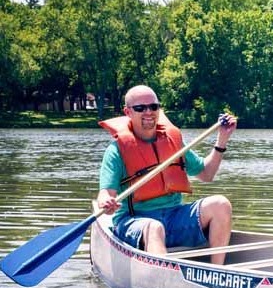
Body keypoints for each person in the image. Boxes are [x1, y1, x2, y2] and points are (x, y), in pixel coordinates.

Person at [95, 85, 237, 265]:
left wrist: (222, 140)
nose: (148, 112)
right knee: (154, 228)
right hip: (134, 220)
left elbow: (206, 174)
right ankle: (163, 282)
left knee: (220, 204)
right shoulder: (116, 151)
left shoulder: (173, 143)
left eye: (153, 107)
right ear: (128, 112)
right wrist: (106, 202)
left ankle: (217, 272)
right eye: (140, 108)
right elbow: (105, 194)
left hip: (174, 217)